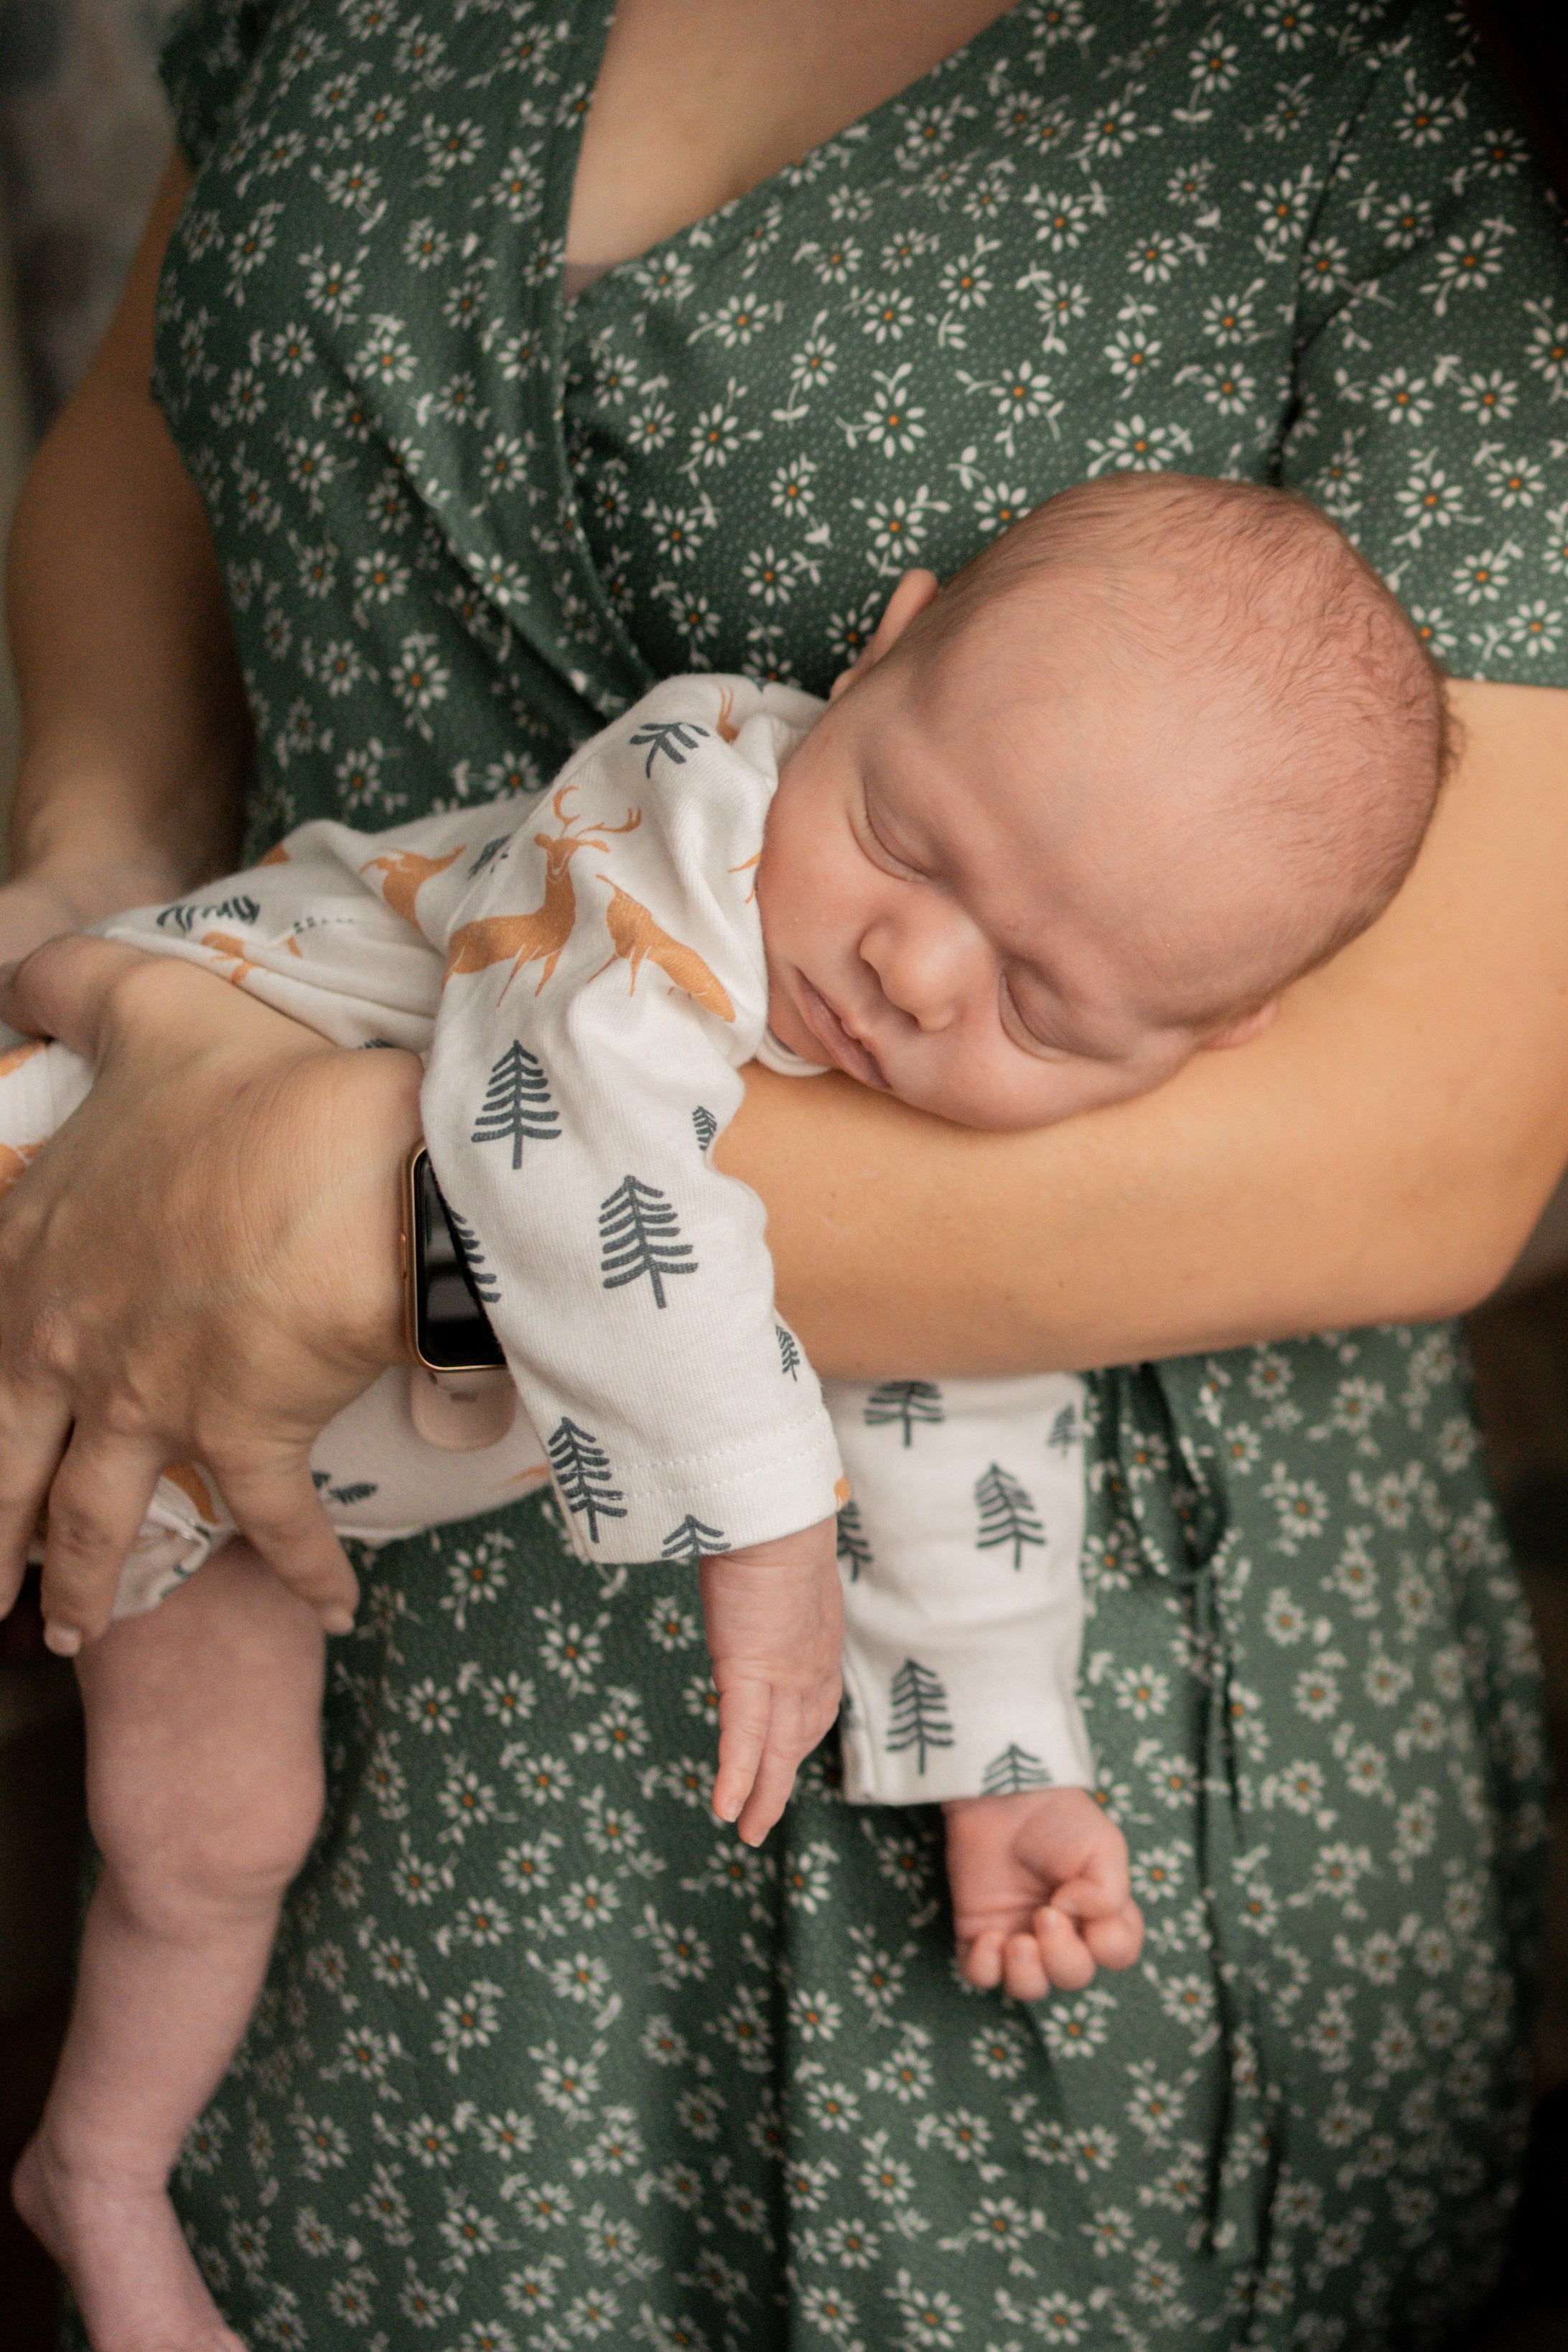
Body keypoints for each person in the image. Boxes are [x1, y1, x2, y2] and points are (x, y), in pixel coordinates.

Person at [1, 1, 1565, 2343]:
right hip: (160, 1208)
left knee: (208, 1835)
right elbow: (570, 1107)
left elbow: (984, 1378)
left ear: (1193, 1034)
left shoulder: (1391, 118)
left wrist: (998, 1757)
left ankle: (95, 2169)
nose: (911, 974)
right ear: (886, 656)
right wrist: (86, 898)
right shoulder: (709, 802)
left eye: (1045, 1003)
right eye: (907, 840)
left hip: (398, 1484)